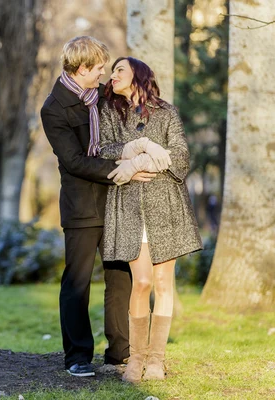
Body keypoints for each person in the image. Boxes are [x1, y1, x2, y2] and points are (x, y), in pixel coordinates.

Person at [40, 37, 156, 377]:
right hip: (81, 206)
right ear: (81, 69)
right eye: (99, 68)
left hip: (117, 202)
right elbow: (74, 161)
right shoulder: (54, 109)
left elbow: (138, 102)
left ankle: (119, 351)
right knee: (77, 281)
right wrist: (123, 172)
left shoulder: (104, 96)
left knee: (120, 276)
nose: (104, 73)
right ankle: (77, 356)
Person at [98, 56, 203, 383]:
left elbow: (181, 158)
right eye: (112, 71)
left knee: (162, 284)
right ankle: (136, 359)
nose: (112, 75)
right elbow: (103, 149)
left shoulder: (167, 113)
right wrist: (134, 156)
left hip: (165, 208)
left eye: (119, 70)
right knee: (141, 283)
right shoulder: (110, 112)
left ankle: (156, 360)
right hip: (129, 208)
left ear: (138, 76)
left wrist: (140, 160)